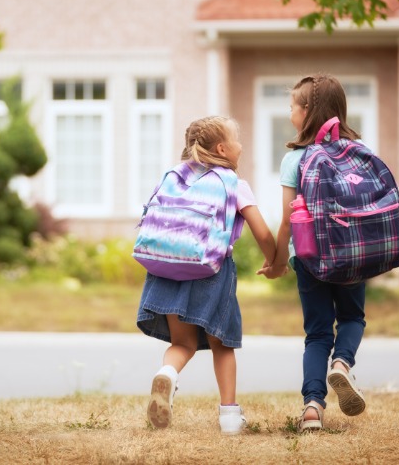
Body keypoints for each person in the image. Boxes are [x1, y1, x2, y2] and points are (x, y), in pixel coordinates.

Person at [136, 115, 277, 435]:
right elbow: (264, 234)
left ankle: (168, 375)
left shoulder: (174, 176)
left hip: (167, 266)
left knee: (182, 343)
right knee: (222, 343)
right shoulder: (234, 184)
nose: (242, 145)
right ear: (223, 148)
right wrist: (274, 261)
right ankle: (229, 416)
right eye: (237, 139)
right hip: (211, 271)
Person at [262, 74, 368, 431]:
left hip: (310, 257)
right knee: (352, 319)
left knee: (318, 333)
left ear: (307, 111)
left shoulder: (294, 159)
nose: (290, 112)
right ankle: (342, 365)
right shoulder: (360, 151)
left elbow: (287, 221)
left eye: (292, 106)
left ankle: (311, 408)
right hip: (352, 256)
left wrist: (277, 262)